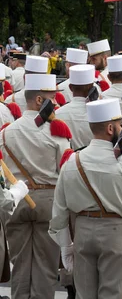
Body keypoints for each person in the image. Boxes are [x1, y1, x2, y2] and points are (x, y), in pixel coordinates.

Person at [49, 98, 122, 298]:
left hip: (83, 230)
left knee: (84, 294)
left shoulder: (72, 160)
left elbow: (59, 209)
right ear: (110, 129)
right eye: (119, 124)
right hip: (115, 231)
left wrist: (65, 245)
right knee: (113, 293)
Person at [1, 73, 71, 298]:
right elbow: (65, 172)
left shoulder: (6, 132)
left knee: (20, 264)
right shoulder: (56, 131)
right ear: (40, 100)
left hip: (17, 200)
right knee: (45, 266)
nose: (57, 100)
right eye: (52, 96)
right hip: (48, 200)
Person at [56, 65, 97, 150]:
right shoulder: (100, 114)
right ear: (93, 88)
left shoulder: (57, 114)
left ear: (70, 88)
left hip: (67, 161)